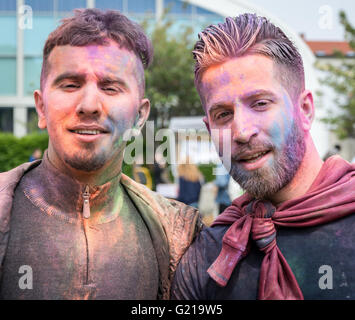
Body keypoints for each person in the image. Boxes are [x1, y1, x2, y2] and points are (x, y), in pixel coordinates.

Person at [0, 9, 202, 300]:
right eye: (70, 84)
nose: (89, 105)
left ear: (139, 118)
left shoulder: (181, 235)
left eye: (110, 87)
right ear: (41, 108)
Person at [171, 13, 355, 300]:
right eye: (223, 114)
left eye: (260, 103)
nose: (241, 132)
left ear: (304, 110)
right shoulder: (207, 257)